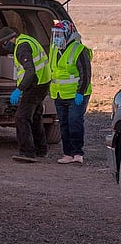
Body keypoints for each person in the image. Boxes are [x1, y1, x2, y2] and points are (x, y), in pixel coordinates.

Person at [0, 27, 51, 163]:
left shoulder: (21, 47)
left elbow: (30, 71)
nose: (5, 47)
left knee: (22, 117)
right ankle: (41, 149)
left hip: (34, 85)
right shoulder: (28, 39)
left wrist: (19, 89)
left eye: (4, 44)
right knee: (36, 117)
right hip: (43, 82)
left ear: (9, 39)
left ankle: (27, 152)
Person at [49, 20, 92, 165]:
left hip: (76, 95)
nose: (56, 38)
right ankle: (67, 153)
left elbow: (85, 74)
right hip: (59, 94)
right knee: (64, 124)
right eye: (55, 35)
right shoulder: (54, 50)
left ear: (68, 34)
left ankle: (77, 153)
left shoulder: (79, 50)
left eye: (59, 35)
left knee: (75, 122)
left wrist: (80, 92)